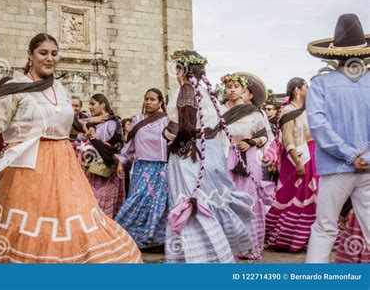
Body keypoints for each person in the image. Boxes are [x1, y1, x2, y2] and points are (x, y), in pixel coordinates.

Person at [0, 33, 141, 263]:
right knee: (27, 229)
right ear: (30, 55)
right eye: (43, 53)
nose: (49, 58)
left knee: (73, 226)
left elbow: (66, 124)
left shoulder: (58, 87)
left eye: (54, 54)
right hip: (28, 169)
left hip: (66, 169)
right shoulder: (15, 87)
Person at [163, 50, 254, 263]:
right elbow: (211, 128)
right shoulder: (206, 92)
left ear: (182, 70)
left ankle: (198, 257)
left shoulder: (184, 91)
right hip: (210, 152)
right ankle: (218, 254)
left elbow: (182, 127)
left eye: (177, 67)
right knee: (210, 200)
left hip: (189, 155)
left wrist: (167, 134)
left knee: (191, 201)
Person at [305, 13, 370, 263]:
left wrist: (351, 155)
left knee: (324, 228)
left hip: (336, 168)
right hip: (368, 169)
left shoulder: (321, 85)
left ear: (333, 55)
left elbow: (319, 128)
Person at [218, 72, 274, 259]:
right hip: (224, 156)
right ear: (225, 89)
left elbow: (265, 136)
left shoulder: (254, 112)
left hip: (248, 159)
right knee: (226, 198)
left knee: (249, 199)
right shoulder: (218, 109)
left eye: (236, 86)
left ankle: (249, 246)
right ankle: (227, 247)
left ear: (243, 90)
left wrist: (252, 142)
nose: (232, 90)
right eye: (229, 86)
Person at [265, 77, 319, 252]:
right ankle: (285, 238)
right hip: (296, 158)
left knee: (310, 197)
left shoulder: (304, 110)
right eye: (306, 87)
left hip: (311, 155)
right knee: (293, 196)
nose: (308, 90)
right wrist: (298, 162)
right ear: (297, 90)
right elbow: (287, 139)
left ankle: (309, 238)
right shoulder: (288, 111)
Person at [115, 88, 169, 249]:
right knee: (137, 199)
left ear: (160, 103)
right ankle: (126, 233)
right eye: (146, 99)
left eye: (152, 99)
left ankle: (155, 240)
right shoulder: (137, 120)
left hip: (162, 167)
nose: (148, 102)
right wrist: (121, 162)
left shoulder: (167, 121)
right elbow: (130, 147)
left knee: (158, 203)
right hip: (142, 168)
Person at [83, 94, 125, 218]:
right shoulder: (90, 121)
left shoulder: (112, 123)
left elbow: (115, 145)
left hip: (106, 168)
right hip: (91, 169)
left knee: (103, 202)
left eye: (93, 104)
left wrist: (94, 140)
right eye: (89, 104)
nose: (90, 107)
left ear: (102, 105)